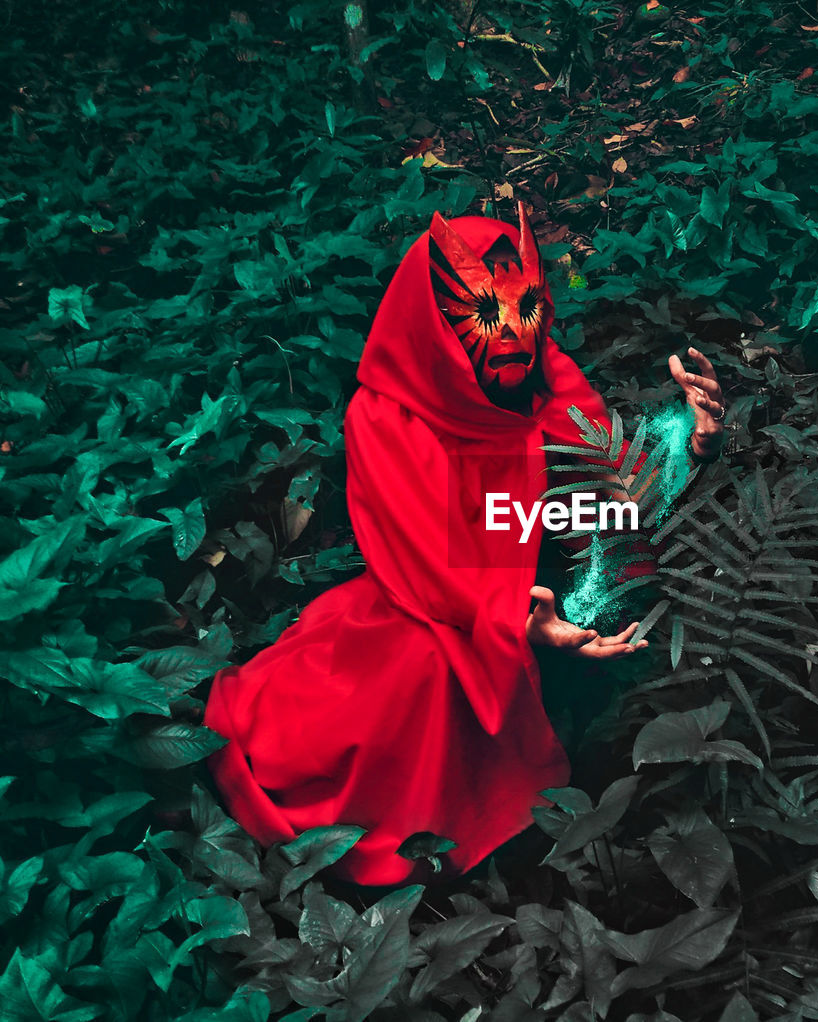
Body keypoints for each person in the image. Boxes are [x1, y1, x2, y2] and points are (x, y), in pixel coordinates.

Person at [202, 202, 725, 885]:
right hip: (430, 601)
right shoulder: (387, 412)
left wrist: (688, 446)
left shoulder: (542, 378)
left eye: (525, 309)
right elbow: (426, 559)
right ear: (438, 317)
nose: (511, 333)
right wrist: (521, 619)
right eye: (484, 313)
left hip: (538, 580)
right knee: (405, 686)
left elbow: (612, 487)